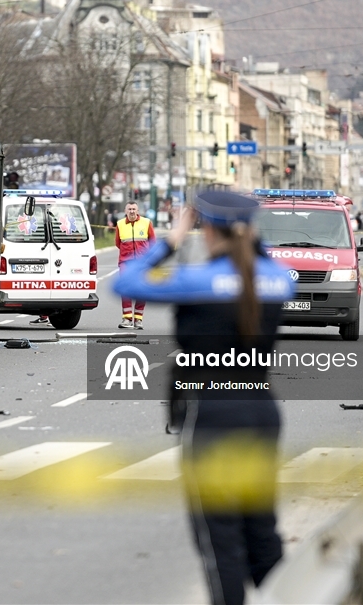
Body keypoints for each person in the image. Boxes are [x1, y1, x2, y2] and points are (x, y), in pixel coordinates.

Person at [113, 190, 294, 605]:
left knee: (220, 543)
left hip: (212, 415)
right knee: (263, 536)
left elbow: (126, 281)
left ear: (206, 230)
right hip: (261, 412)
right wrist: (250, 235)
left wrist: (172, 239)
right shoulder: (276, 279)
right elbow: (263, 261)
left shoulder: (195, 282)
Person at [115, 201, 155, 329]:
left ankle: (138, 319)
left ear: (138, 211)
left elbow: (153, 242)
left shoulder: (146, 222)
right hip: (125, 261)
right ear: (125, 211)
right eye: (129, 209)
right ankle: (127, 318)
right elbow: (118, 243)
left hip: (142, 262)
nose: (132, 211)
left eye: (134, 209)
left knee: (141, 289)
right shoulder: (120, 224)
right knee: (125, 288)